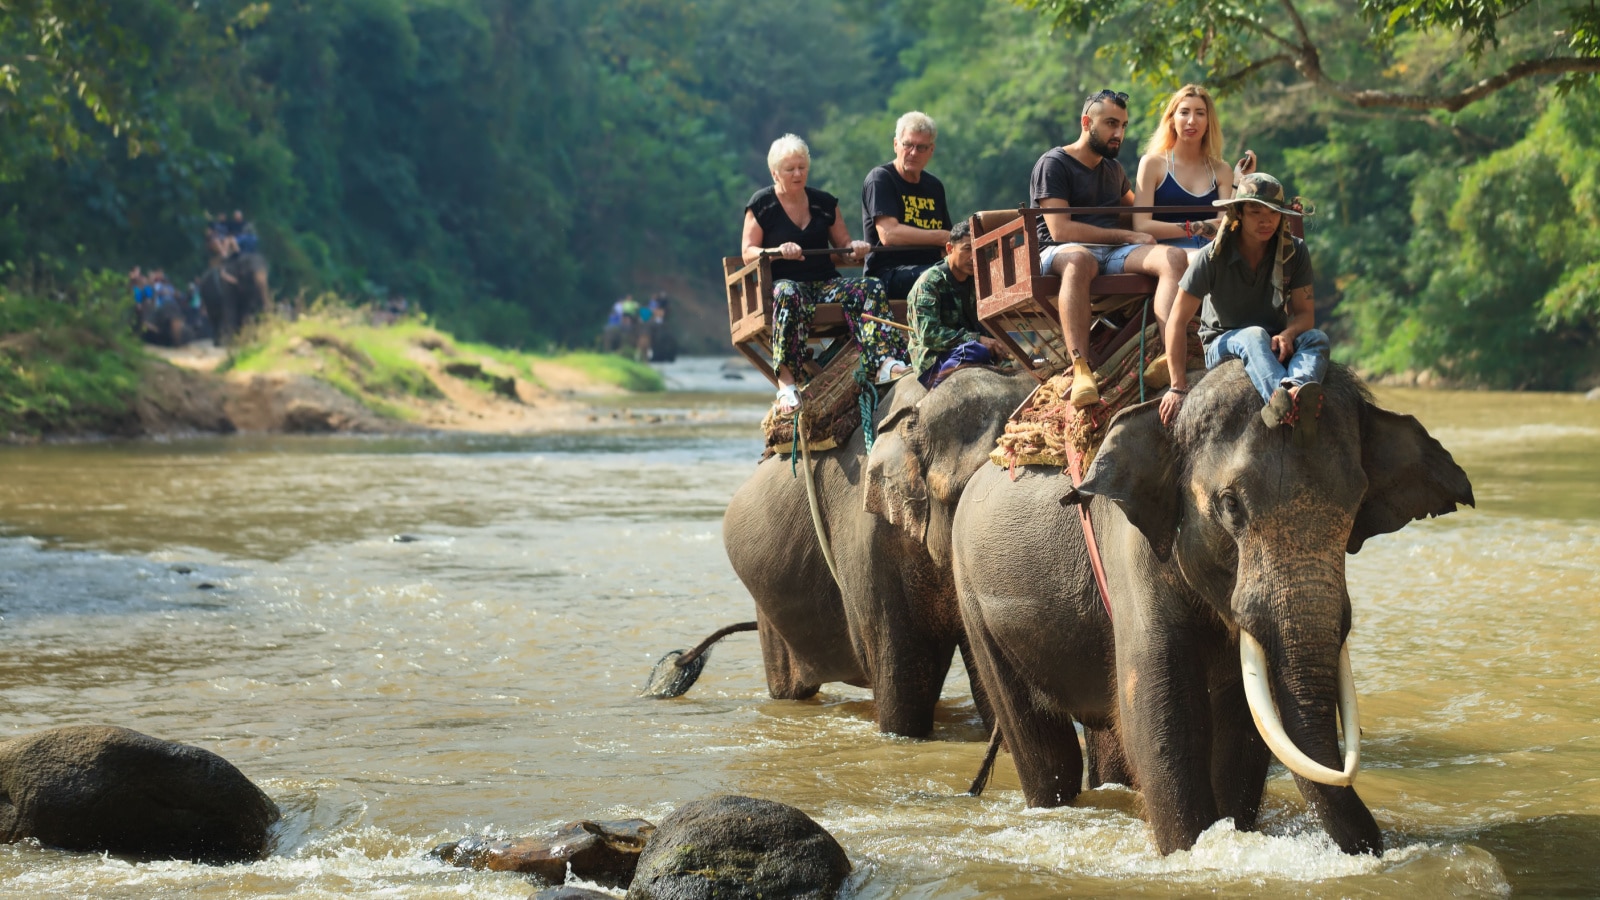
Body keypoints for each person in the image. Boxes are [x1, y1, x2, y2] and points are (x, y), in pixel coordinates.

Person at [1031, 89, 1190, 408]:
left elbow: (1142, 214)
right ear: (1087, 121)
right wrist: (1125, 237)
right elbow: (1059, 229)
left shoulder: (1113, 170)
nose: (1119, 133)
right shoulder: (1054, 163)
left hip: (1111, 253)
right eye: (1111, 124)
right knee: (1081, 260)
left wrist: (1224, 193)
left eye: (1124, 126)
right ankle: (1081, 368)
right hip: (1061, 252)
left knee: (1173, 257)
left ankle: (1167, 354)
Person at [742, 133, 910, 414]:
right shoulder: (763, 204)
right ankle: (786, 382)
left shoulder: (824, 203)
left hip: (824, 283)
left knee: (870, 287)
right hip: (786, 286)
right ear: (775, 173)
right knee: (788, 292)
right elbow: (748, 250)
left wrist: (855, 247)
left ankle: (883, 362)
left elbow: (844, 246)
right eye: (790, 169)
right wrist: (777, 250)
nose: (798, 173)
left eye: (802, 167)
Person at [1163, 172, 1325, 434]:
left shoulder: (1295, 252)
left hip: (1273, 339)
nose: (1266, 221)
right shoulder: (1211, 257)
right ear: (1239, 213)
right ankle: (1279, 400)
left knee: (1316, 338)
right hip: (1223, 342)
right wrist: (1176, 387)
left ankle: (1296, 388)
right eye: (1255, 211)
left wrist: (1288, 333)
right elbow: (1176, 321)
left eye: (1273, 213)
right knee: (1253, 335)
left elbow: (1305, 316)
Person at [1133, 84, 1257, 250]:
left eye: (1200, 113)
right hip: (1166, 253)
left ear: (1208, 122)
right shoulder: (1152, 164)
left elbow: (1222, 228)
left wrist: (1238, 181)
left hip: (1210, 253)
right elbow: (1141, 226)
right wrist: (1198, 227)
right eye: (1184, 112)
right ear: (1171, 120)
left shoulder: (1221, 170)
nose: (1192, 121)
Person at [861, 111, 952, 299]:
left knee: (971, 273)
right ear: (896, 144)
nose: (913, 153)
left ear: (931, 150)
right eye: (908, 145)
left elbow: (948, 243)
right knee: (941, 276)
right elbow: (889, 234)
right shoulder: (880, 179)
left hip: (931, 269)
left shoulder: (934, 186)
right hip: (887, 276)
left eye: (921, 147)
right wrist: (940, 237)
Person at [907, 220, 1002, 387]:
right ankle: (938, 385)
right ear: (949, 249)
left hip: (966, 350)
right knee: (976, 350)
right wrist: (977, 339)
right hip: (934, 360)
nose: (973, 257)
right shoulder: (929, 283)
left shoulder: (976, 281)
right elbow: (928, 334)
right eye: (967, 249)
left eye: (978, 250)